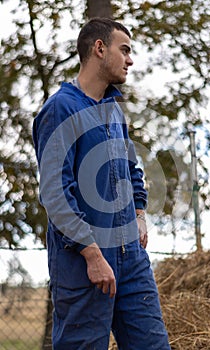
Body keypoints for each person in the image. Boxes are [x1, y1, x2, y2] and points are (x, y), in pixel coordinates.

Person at [33, 17, 170, 350]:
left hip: (131, 261)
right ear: (99, 48)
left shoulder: (113, 110)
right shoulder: (59, 109)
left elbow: (131, 169)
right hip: (83, 264)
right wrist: (92, 255)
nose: (130, 59)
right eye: (124, 50)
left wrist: (139, 213)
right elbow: (55, 195)